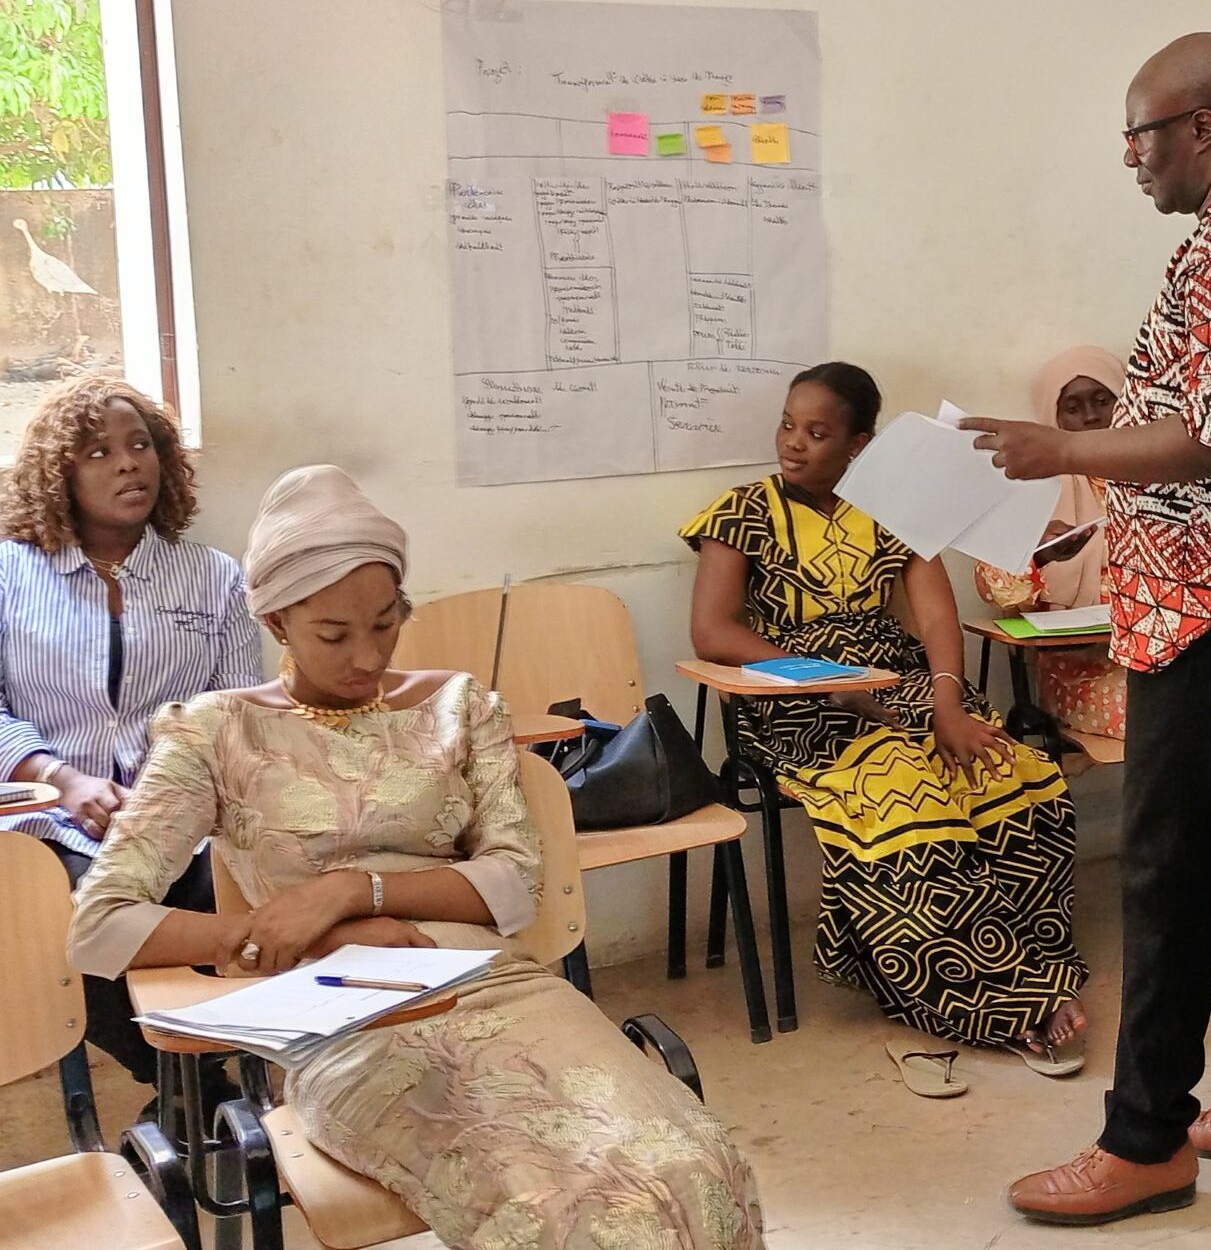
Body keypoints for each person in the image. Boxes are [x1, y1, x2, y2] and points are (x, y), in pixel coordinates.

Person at [70, 465, 763, 1249]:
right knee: (571, 1208)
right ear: (274, 621)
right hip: (342, 1021)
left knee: (694, 1166)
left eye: (385, 622)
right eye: (333, 634)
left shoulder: (460, 706)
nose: (366, 656)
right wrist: (307, 936)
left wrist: (348, 893)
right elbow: (101, 926)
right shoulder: (214, 733)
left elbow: (513, 883)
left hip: (498, 987)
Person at [971, 33, 1211, 1225]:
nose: (1129, 158)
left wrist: (1064, 448)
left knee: (1166, 869)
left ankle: (1144, 1137)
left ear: (1199, 125)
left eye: (1138, 134)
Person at [683, 363, 1089, 1078]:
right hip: (793, 704)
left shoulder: (892, 508)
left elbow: (935, 616)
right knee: (907, 788)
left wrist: (947, 706)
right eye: (788, 424)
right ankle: (993, 999)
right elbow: (714, 634)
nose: (794, 443)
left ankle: (1027, 963)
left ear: (858, 444)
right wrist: (828, 681)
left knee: (1016, 771)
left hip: (898, 685)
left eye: (818, 432)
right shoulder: (739, 512)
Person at [974, 346, 1211, 1021]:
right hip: (1090, 671)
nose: (1091, 417)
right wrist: (1036, 551)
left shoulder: (1161, 473)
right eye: (1074, 405)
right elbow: (1002, 594)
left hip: (1184, 652)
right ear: (1050, 415)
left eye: (1103, 401)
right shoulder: (1026, 483)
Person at [0, 376, 260, 1101]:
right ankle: (194, 1088)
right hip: (53, 822)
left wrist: (178, 792)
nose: (128, 465)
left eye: (141, 445)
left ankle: (219, 1071)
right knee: (64, 926)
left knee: (247, 895)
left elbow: (234, 715)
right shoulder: (8, 576)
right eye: (99, 452)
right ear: (60, 473)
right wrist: (63, 778)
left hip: (189, 822)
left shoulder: (214, 579)